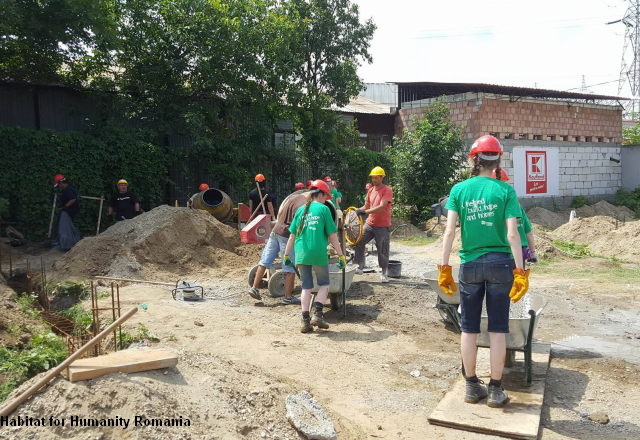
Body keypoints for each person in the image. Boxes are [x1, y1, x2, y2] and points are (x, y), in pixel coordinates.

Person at [439, 135, 529, 408]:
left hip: (470, 265)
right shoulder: (505, 191)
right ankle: (495, 390)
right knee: (498, 329)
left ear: (473, 159)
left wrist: (444, 267)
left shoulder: (459, 190)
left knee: (469, 328)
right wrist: (520, 271)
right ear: (498, 161)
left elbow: (450, 232)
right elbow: (514, 235)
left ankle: (470, 386)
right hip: (501, 264)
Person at [283, 180, 346, 333]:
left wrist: (285, 255)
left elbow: (291, 236)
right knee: (324, 284)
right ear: (322, 194)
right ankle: (318, 314)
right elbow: (332, 236)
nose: (326, 200)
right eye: (326, 197)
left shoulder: (300, 210)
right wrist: (341, 256)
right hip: (318, 252)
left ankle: (305, 321)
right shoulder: (324, 209)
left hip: (301, 253)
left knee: (306, 287)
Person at [248, 189, 307, 305]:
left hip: (275, 232)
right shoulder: (305, 205)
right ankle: (288, 297)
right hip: (286, 235)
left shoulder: (292, 198)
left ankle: (254, 288)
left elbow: (280, 214)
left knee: (265, 261)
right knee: (290, 267)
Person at [354, 166, 394, 283]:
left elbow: (382, 207)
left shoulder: (387, 190)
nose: (374, 180)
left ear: (382, 178)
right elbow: (366, 206)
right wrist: (355, 210)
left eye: (376, 178)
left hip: (382, 225)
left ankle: (384, 273)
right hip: (370, 223)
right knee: (359, 240)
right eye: (373, 178)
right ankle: (360, 267)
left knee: (382, 248)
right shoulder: (371, 190)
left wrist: (365, 212)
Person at [491, 169, 538, 264]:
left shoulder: (494, 208)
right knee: (519, 277)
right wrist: (532, 254)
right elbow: (528, 233)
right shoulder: (517, 207)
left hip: (504, 251)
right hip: (520, 252)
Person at [54, 174, 82, 250]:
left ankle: (70, 242)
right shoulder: (68, 189)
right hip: (70, 210)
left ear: (61, 183)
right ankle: (71, 240)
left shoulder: (68, 190)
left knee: (68, 226)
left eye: (58, 185)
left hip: (70, 211)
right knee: (69, 226)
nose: (58, 187)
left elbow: (73, 199)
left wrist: (65, 207)